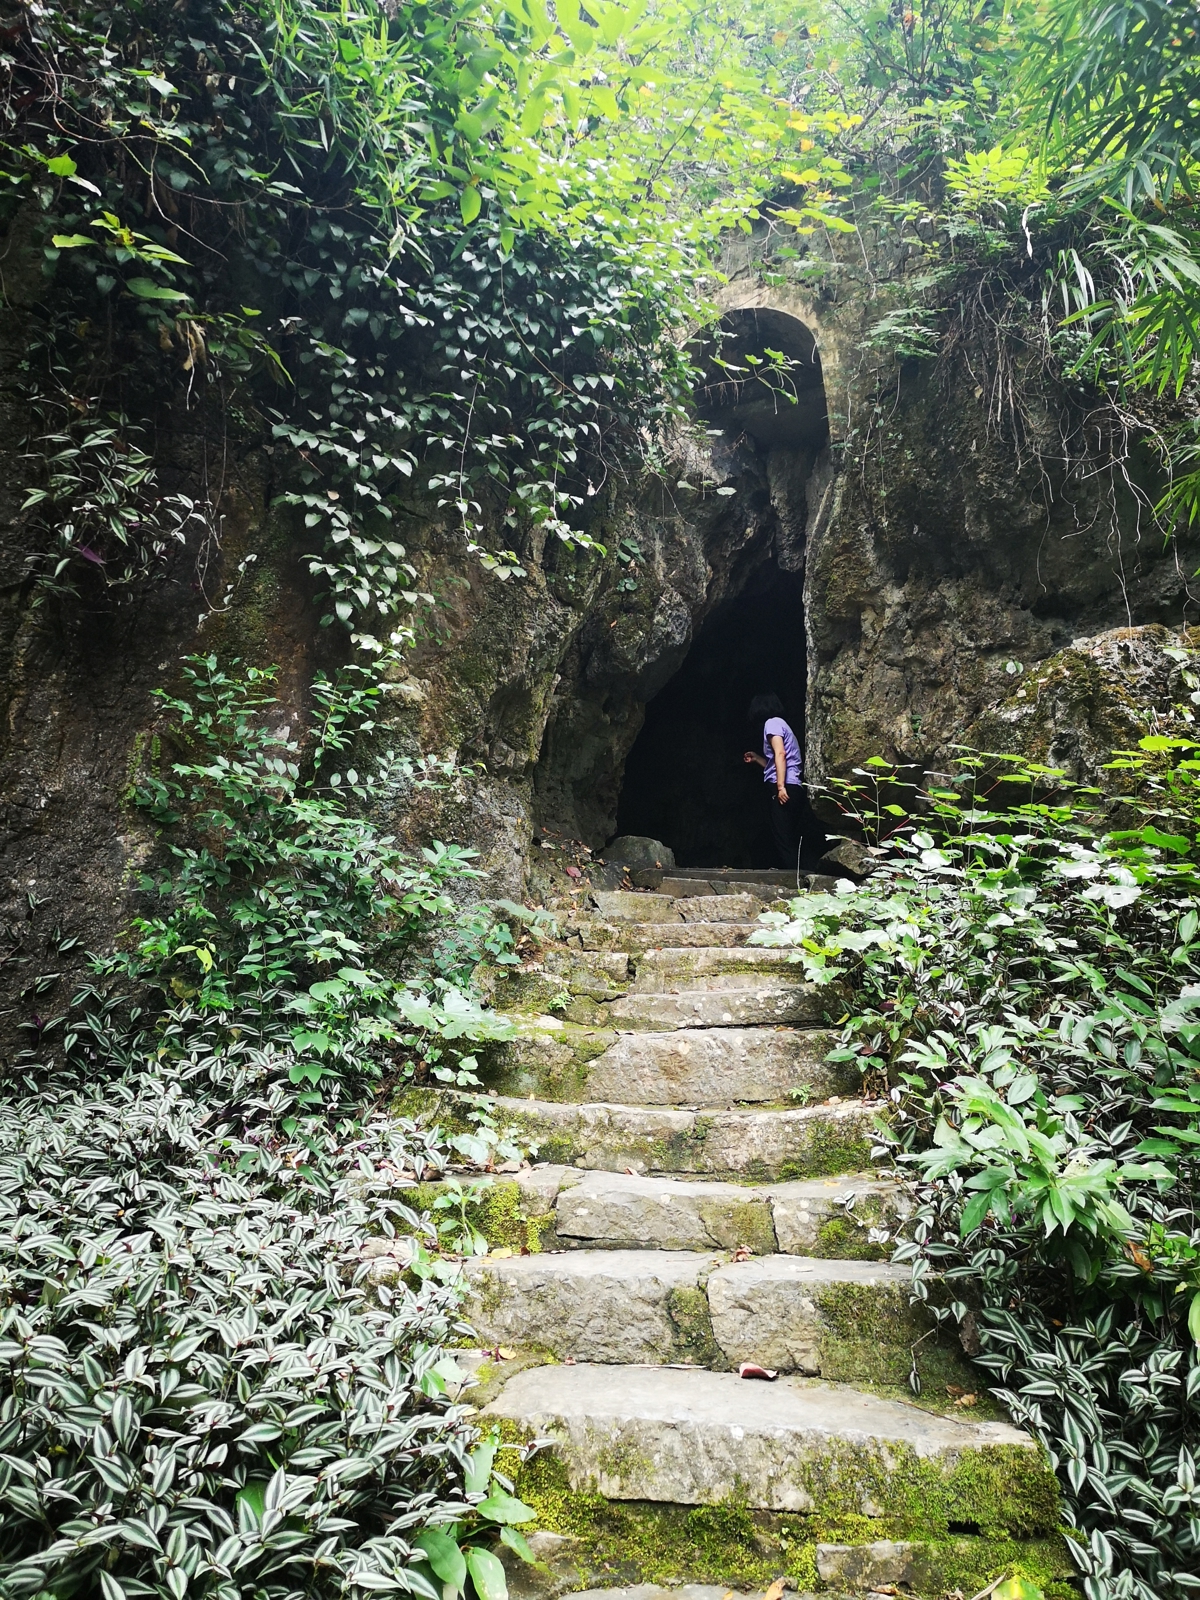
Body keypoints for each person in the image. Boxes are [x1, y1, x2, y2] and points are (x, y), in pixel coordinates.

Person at [743, 694, 825, 870]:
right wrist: (757, 758)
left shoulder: (771, 723)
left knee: (783, 837)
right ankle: (798, 871)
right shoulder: (783, 725)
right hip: (794, 786)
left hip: (785, 787)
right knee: (785, 833)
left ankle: (794, 875)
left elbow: (780, 754)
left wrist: (780, 787)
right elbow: (775, 762)